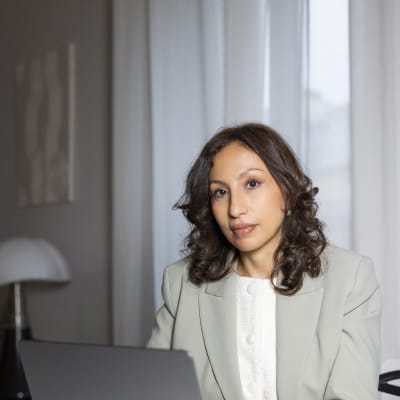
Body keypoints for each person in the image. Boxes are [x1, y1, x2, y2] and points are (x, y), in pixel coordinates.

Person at [147, 123, 381, 400]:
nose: (235, 209)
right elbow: (152, 390)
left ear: (288, 191)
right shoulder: (181, 282)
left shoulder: (349, 278)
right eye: (220, 192)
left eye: (252, 184)